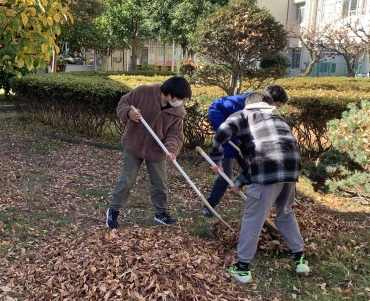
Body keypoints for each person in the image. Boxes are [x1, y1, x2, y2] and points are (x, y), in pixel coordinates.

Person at [209, 90, 308, 283]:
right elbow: (269, 154)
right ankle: (300, 259)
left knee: (253, 218)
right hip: (291, 169)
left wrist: (216, 159)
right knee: (285, 212)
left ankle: (242, 268)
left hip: (267, 169)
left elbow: (222, 132)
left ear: (248, 104)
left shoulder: (243, 114)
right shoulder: (279, 118)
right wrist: (240, 181)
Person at [106, 76, 192, 229]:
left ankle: (161, 213)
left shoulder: (177, 112)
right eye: (179, 98)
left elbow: (175, 135)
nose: (180, 101)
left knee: (160, 183)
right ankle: (114, 210)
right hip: (133, 144)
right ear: (170, 94)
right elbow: (123, 103)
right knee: (127, 179)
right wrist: (128, 113)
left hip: (156, 151)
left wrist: (171, 150)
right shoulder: (143, 92)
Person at [203, 85, 289, 217]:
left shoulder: (262, 108)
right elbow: (232, 130)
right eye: (277, 104)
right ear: (270, 99)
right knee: (227, 171)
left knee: (253, 166)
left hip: (236, 127)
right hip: (220, 116)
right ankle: (210, 205)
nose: (277, 108)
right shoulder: (250, 104)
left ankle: (255, 198)